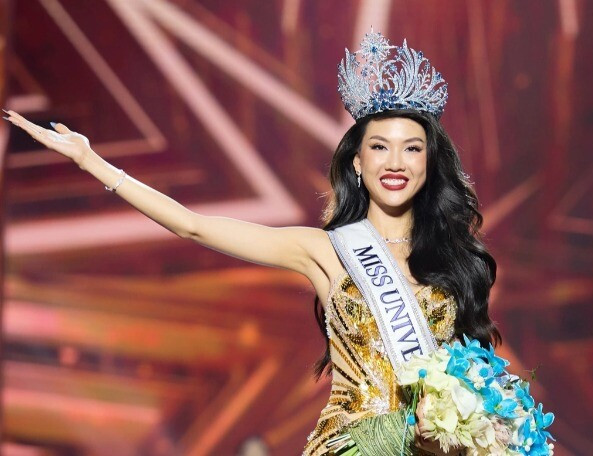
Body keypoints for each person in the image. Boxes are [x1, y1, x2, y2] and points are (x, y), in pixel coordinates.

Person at [4, 29, 501, 456]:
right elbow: (192, 225)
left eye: (411, 148)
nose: (395, 162)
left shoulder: (454, 263)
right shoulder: (326, 250)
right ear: (357, 161)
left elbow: (468, 384)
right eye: (379, 147)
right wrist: (92, 161)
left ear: (428, 162)